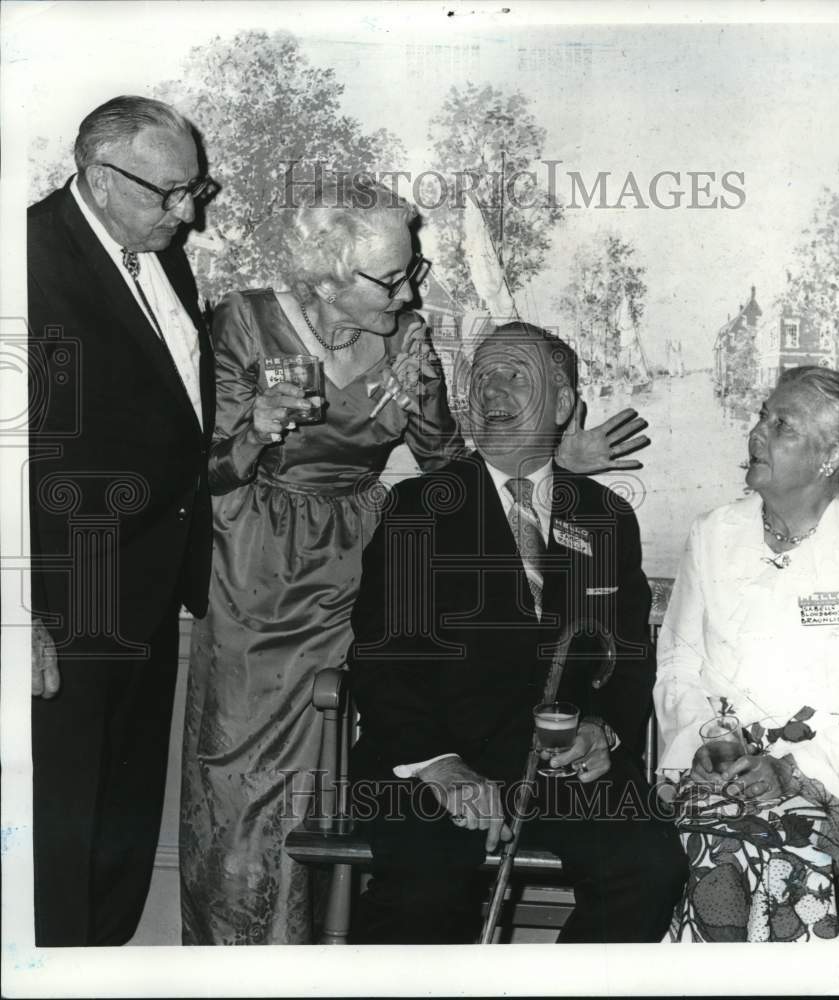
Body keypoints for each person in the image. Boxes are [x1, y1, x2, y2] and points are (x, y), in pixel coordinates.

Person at [179, 182, 652, 945]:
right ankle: (242, 959)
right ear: (328, 272)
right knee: (245, 779)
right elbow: (188, 475)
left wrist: (554, 458)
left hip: (356, 559)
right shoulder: (243, 322)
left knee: (348, 761)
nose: (409, 292)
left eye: (411, 271)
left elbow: (455, 462)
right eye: (389, 279)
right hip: (259, 569)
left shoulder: (406, 338)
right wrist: (256, 432)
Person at [347, 321, 687, 945]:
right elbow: (383, 658)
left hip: (568, 772)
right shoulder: (417, 507)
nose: (491, 389)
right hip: (439, 762)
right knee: (423, 894)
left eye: (513, 374)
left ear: (562, 405)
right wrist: (440, 766)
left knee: (648, 868)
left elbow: (631, 657)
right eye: (481, 376)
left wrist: (601, 727)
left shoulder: (607, 517)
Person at [28, 95, 216, 946]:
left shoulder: (161, 258)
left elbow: (170, 425)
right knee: (55, 843)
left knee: (121, 832)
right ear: (102, 178)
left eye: (194, 189)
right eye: (169, 192)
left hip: (147, 588)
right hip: (65, 606)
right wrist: (20, 614)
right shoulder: (27, 259)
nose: (188, 212)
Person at [654, 365, 839, 942]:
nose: (757, 432)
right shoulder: (713, 533)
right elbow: (677, 658)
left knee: (786, 860)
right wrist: (707, 738)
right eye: (761, 416)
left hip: (827, 772)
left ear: (830, 458)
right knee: (715, 847)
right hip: (716, 766)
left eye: (782, 425)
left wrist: (794, 770)